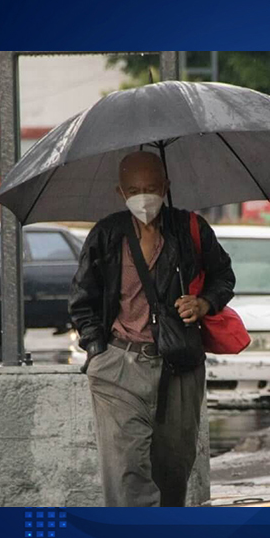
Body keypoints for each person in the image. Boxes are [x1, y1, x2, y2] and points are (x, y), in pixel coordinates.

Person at [69, 151, 236, 507]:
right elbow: (81, 301)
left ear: (166, 187)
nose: (143, 197)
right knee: (127, 470)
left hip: (179, 366)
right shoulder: (106, 235)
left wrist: (204, 302)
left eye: (151, 188)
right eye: (134, 189)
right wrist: (98, 349)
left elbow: (224, 276)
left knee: (173, 468)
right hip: (119, 366)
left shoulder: (190, 229)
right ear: (120, 192)